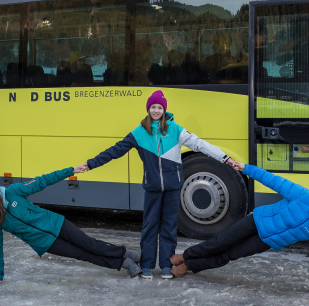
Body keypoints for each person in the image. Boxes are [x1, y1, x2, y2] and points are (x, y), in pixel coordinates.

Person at [79, 90, 232, 279]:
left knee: (168, 227)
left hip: (172, 187)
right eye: (153, 107)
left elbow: (199, 144)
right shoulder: (139, 133)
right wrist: (91, 163)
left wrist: (224, 158)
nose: (157, 110)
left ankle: (166, 265)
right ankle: (147, 266)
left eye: (160, 107)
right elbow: (115, 150)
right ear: (148, 109)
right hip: (152, 188)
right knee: (149, 226)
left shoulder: (175, 130)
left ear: (164, 110)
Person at [170, 160, 309, 294]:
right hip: (256, 221)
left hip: (265, 240)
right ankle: (185, 255)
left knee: (228, 256)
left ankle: (189, 265)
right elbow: (273, 180)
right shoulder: (302, 196)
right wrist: (246, 169)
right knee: (220, 242)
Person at [0, 168, 142, 285]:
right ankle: (125, 264)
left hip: (56, 223)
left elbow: (42, 181)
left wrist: (71, 171)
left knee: (90, 244)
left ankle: (128, 254)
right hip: (45, 243)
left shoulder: (13, 191)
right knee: (84, 255)